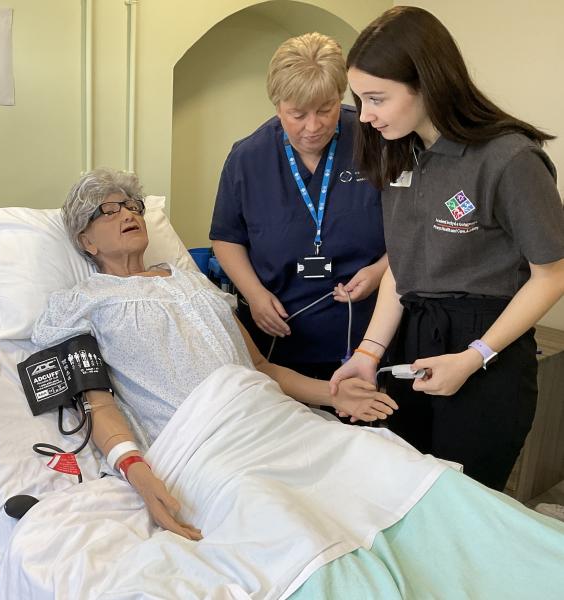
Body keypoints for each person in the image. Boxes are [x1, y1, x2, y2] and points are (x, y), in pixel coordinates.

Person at [33, 168, 398, 539]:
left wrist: (333, 393)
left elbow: (261, 367)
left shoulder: (194, 281)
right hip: (204, 446)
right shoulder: (84, 303)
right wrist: (136, 471)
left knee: (386, 469)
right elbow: (99, 404)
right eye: (109, 210)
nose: (129, 214)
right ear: (86, 241)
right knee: (296, 525)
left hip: (272, 419)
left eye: (132, 206)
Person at [330, 6, 564, 491]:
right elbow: (403, 263)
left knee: (464, 505)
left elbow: (553, 274)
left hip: (486, 349)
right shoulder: (401, 151)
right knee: (401, 496)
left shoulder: (510, 159)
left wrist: (474, 355)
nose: (365, 115)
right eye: (360, 98)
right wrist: (368, 352)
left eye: (376, 99)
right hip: (412, 338)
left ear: (427, 83)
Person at [210, 33, 387, 380]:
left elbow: (413, 228)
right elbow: (226, 238)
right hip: (281, 336)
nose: (314, 126)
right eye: (297, 114)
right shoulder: (248, 158)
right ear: (277, 105)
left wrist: (381, 270)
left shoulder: (375, 141)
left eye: (326, 109)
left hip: (368, 335)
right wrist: (255, 294)